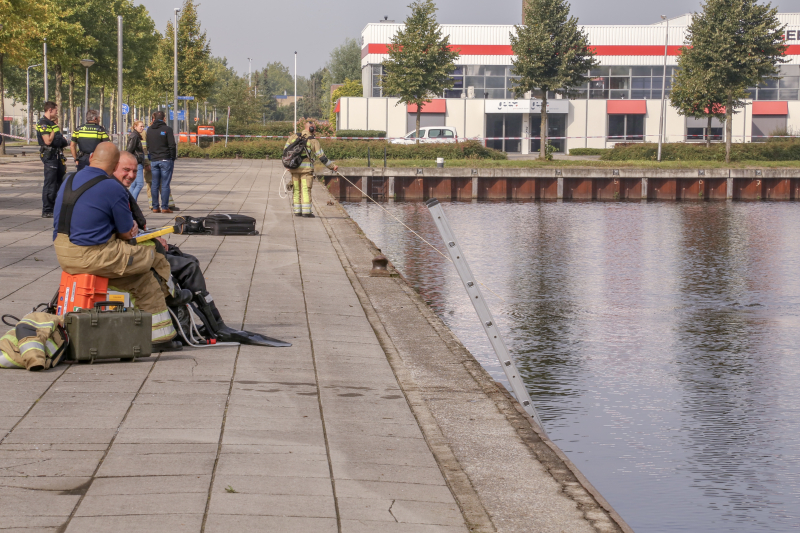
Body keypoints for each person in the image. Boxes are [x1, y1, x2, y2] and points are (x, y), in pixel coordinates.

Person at [52, 142, 185, 351]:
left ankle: (157, 328)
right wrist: (132, 228)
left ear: (92, 157)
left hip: (64, 253)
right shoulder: (112, 187)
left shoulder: (69, 179)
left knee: (141, 278)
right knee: (152, 253)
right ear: (115, 165)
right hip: (92, 255)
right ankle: (171, 305)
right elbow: (126, 232)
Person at [284, 122, 338, 217]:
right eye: (315, 129)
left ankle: (297, 211)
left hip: (294, 169)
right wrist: (332, 166)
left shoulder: (293, 137)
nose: (315, 131)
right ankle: (306, 212)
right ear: (311, 128)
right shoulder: (312, 140)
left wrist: (288, 165)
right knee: (305, 189)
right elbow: (321, 157)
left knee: (296, 189)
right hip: (306, 170)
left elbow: (285, 151)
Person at [36, 102, 69, 218]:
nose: (57, 112)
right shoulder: (44, 123)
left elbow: (61, 140)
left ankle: (57, 207)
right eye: (56, 110)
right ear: (50, 110)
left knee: (60, 182)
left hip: (57, 156)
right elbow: (48, 141)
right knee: (50, 183)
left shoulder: (52, 124)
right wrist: (55, 129)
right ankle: (47, 210)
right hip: (50, 157)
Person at [145, 111, 177, 214]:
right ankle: (164, 207)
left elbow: (148, 145)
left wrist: (151, 156)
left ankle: (155, 207)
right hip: (165, 159)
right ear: (164, 119)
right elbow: (172, 145)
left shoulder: (149, 130)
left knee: (154, 184)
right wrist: (172, 157)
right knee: (165, 184)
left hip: (154, 160)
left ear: (154, 119)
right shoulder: (167, 129)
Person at [127, 120, 148, 201]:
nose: (142, 128)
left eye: (143, 126)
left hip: (136, 162)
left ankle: (129, 203)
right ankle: (133, 203)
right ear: (135, 127)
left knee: (134, 184)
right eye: (141, 126)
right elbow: (129, 150)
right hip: (137, 162)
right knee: (139, 184)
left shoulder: (136, 136)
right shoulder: (134, 136)